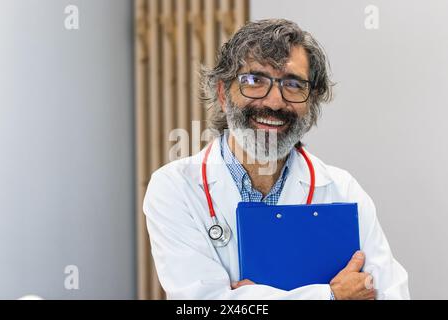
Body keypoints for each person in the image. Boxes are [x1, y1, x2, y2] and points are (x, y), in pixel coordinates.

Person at [143, 19, 410, 300]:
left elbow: (391, 294)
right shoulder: (175, 188)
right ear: (223, 94)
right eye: (255, 81)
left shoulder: (342, 189)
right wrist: (332, 296)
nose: (274, 102)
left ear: (311, 101)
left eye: (293, 84)